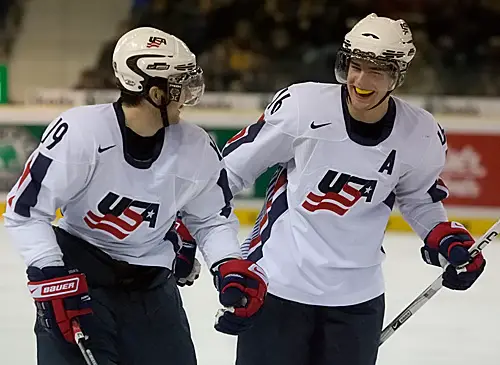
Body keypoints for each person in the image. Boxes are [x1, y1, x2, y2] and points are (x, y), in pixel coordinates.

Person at [219, 13, 486, 365]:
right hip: (277, 287)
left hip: (357, 301)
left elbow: (419, 196)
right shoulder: (303, 108)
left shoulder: (419, 135)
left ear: (397, 76)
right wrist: (202, 235)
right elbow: (228, 174)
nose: (360, 80)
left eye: (376, 70)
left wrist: (441, 235)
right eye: (355, 65)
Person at [4, 27, 267, 365]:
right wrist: (50, 273)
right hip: (81, 288)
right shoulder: (82, 134)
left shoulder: (196, 147)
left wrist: (228, 262)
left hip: (153, 294)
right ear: (154, 92)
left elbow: (211, 219)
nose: (188, 94)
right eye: (179, 84)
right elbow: (25, 211)